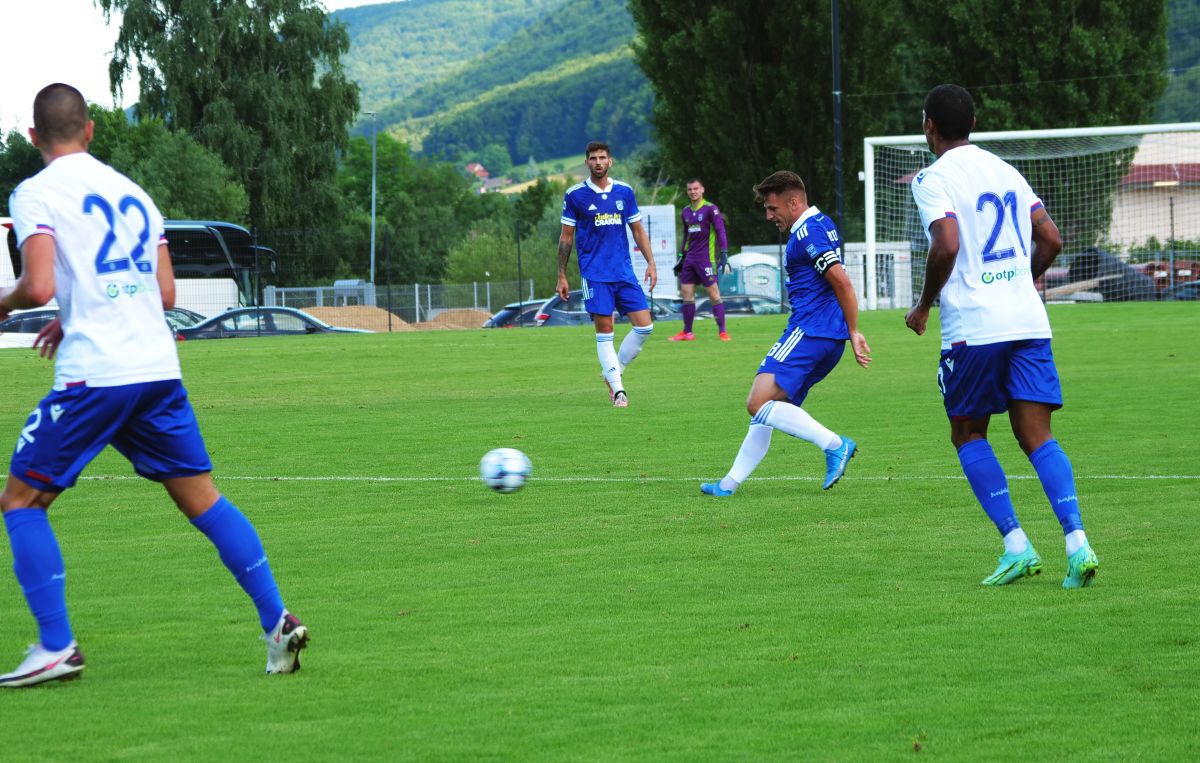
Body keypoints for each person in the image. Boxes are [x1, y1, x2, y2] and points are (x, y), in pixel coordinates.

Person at [0, 84, 308, 688]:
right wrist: (77, 308)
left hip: (98, 375)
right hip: (157, 371)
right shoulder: (135, 194)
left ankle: (55, 646)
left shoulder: (35, 192)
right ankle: (277, 622)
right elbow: (164, 294)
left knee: (20, 501)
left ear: (33, 136)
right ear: (90, 131)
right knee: (204, 500)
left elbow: (34, 286)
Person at [905, 83, 1099, 588]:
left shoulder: (932, 178)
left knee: (967, 431)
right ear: (972, 123)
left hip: (975, 326)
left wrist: (924, 304)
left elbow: (947, 244)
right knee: (1038, 435)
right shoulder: (1007, 170)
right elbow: (1051, 238)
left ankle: (1016, 544)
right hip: (1028, 321)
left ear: (930, 126)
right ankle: (1078, 543)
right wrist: (1025, 281)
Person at [701, 171, 870, 496]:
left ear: (793, 202)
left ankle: (835, 445)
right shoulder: (823, 223)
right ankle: (729, 484)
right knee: (769, 410)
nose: (769, 215)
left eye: (773, 207)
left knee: (757, 402)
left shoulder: (807, 233)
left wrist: (854, 329)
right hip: (826, 336)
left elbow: (842, 282)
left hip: (810, 331)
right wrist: (848, 331)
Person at [558, 141, 658, 408]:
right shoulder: (575, 195)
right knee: (606, 333)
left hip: (623, 272)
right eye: (593, 158)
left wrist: (651, 262)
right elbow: (566, 238)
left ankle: (613, 372)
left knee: (645, 326)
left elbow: (637, 230)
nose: (598, 162)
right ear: (587, 162)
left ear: (610, 161)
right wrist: (562, 275)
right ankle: (619, 391)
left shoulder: (624, 191)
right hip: (595, 274)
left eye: (602, 157)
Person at [668, 178, 731, 341]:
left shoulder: (710, 209)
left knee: (714, 295)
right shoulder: (686, 212)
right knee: (687, 294)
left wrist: (724, 253)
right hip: (690, 260)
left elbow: (720, 231)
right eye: (690, 189)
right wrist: (681, 257)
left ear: (702, 189)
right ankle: (687, 332)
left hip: (706, 259)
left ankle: (722, 332)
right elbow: (686, 237)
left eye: (696, 189)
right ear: (687, 191)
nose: (693, 192)